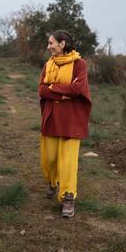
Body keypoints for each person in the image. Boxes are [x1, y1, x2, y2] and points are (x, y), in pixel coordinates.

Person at [38, 30, 91, 218]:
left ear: (62, 44)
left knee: (68, 161)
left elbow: (78, 89)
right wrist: (63, 93)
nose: (48, 46)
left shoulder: (80, 64)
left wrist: (53, 89)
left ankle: (68, 198)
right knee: (50, 158)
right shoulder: (48, 65)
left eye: (51, 42)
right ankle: (53, 181)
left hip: (72, 120)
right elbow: (42, 90)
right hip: (52, 117)